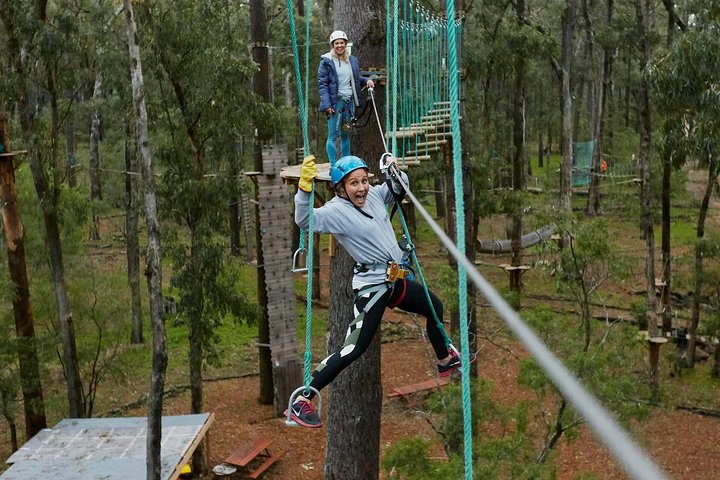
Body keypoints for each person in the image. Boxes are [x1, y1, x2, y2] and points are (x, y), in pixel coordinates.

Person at [286, 154, 476, 428]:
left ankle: (445, 360)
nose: (361, 188)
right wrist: (304, 189)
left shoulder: (374, 195)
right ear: (341, 188)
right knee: (353, 348)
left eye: (364, 181)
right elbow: (305, 220)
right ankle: (303, 400)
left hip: (393, 281)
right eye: (353, 183)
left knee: (433, 307)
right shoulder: (336, 212)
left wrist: (395, 172)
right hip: (372, 287)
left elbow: (398, 189)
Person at [318, 30, 375, 164]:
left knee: (345, 134)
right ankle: (333, 165)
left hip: (348, 104)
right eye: (337, 43)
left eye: (342, 43)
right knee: (332, 135)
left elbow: (355, 78)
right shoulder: (327, 61)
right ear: (333, 45)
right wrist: (327, 105)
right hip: (335, 104)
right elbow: (322, 84)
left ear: (345, 44)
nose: (339, 46)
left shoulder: (351, 60)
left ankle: (346, 163)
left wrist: (366, 81)